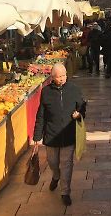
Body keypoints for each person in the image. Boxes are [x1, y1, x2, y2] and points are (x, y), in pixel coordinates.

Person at [33, 64, 86, 207]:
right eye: (58, 76)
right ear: (52, 77)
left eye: (64, 75)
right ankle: (56, 176)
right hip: (51, 134)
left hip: (68, 134)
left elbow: (82, 106)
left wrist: (79, 114)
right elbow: (41, 115)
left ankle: (65, 192)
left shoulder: (74, 90)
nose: (62, 79)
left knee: (67, 164)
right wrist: (37, 136)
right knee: (52, 162)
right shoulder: (46, 92)